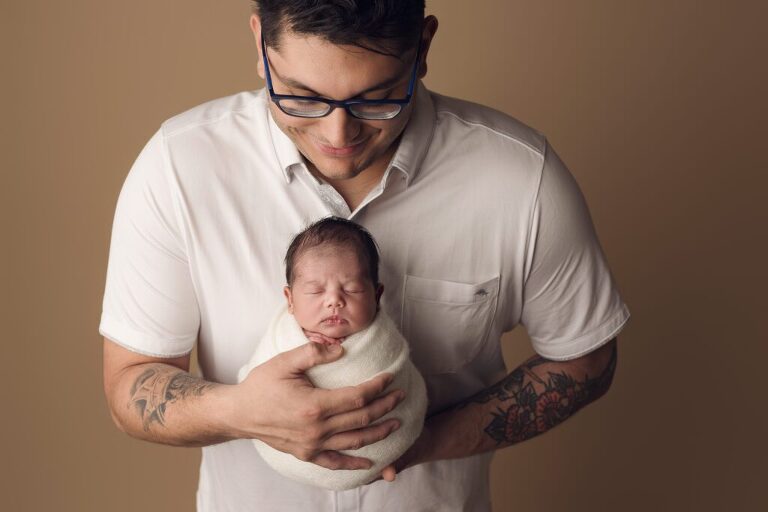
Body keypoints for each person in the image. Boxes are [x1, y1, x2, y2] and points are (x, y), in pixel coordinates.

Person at [99, 1, 630, 510]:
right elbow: (130, 383)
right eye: (301, 96)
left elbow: (587, 358)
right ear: (261, 43)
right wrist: (243, 412)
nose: (338, 135)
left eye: (376, 98)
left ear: (422, 47)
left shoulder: (521, 178)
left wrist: (423, 439)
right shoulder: (179, 167)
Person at [237, 216, 427, 491]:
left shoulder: (383, 338)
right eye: (315, 291)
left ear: (377, 296)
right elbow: (255, 386)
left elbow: (398, 379)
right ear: (290, 300)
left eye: (352, 289)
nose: (334, 300)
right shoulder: (282, 337)